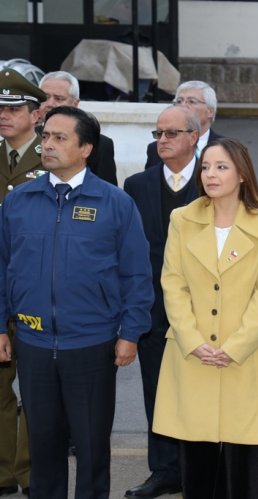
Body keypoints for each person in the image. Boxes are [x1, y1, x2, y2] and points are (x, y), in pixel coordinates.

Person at [0, 105, 153, 499]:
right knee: (43, 448)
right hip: (32, 342)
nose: (46, 145)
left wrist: (131, 332)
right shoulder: (19, 202)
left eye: (59, 138)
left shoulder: (115, 203)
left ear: (86, 148)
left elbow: (136, 274)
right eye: (45, 136)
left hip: (92, 343)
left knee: (90, 448)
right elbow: (3, 267)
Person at [152, 138, 258, 499]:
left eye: (221, 167)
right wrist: (193, 341)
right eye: (206, 167)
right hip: (192, 353)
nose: (211, 174)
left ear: (242, 174)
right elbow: (173, 283)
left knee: (242, 461)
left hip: (246, 355)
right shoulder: (182, 219)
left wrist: (235, 346)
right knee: (196, 459)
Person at [122, 105, 202, 498]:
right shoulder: (137, 185)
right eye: (158, 134)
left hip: (204, 311)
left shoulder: (214, 180)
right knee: (157, 392)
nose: (163, 140)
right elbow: (129, 251)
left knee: (201, 393)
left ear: (195, 136)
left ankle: (200, 470)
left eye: (171, 133)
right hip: (153, 310)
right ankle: (164, 470)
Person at [0, 67, 45, 498]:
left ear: (35, 114)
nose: (4, 114)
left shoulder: (51, 158)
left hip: (34, 287)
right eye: (0, 107)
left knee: (35, 387)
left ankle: (30, 472)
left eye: (14, 107)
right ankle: (3, 474)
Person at [38, 71, 119, 185]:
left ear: (75, 103)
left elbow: (107, 194)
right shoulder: (28, 137)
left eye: (59, 98)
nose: (50, 103)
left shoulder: (100, 144)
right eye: (45, 97)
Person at [144, 81, 222, 169]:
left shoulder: (225, 148)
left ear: (210, 111)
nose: (183, 106)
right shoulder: (158, 148)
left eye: (191, 101)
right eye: (179, 101)